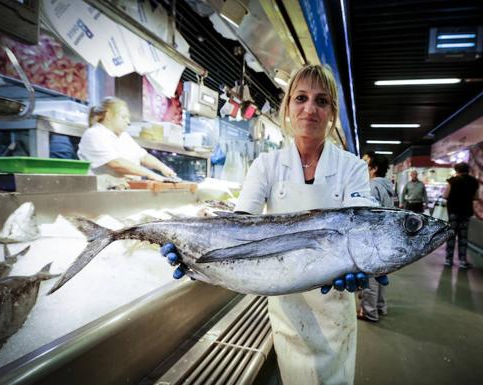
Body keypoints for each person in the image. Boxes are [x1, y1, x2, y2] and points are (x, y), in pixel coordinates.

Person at [160, 65, 387, 385]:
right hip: (286, 304)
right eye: (301, 98)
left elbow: (363, 219)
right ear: (288, 107)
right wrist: (194, 252)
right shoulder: (266, 165)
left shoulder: (351, 167)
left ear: (332, 112)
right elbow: (240, 228)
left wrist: (371, 258)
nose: (310, 108)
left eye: (321, 101)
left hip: (334, 302)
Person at [77, 97, 176, 181]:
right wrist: (150, 174)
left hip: (124, 191)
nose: (128, 122)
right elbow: (116, 163)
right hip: (103, 194)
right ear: (109, 116)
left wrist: (163, 168)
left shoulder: (123, 136)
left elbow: (143, 157)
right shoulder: (94, 134)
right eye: (124, 117)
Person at [357, 154, 394, 322]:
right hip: (386, 237)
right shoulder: (387, 186)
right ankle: (380, 306)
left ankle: (369, 312)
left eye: (366, 164)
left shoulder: (371, 187)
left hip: (372, 239)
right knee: (381, 275)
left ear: (374, 168)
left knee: (370, 276)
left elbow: (367, 216)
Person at [443, 162, 479, 269]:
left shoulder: (453, 181)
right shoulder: (474, 181)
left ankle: (448, 260)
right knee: (463, 237)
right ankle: (463, 261)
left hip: (453, 212)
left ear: (457, 170)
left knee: (451, 235)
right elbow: (476, 197)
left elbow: (445, 195)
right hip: (466, 212)